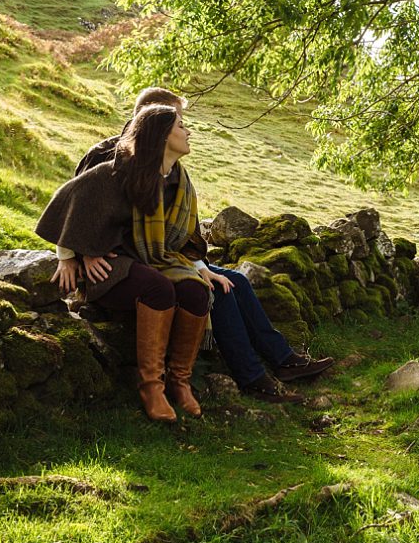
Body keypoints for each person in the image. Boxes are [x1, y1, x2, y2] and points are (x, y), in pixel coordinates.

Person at [70, 89, 335, 404]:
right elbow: (76, 209)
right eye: (177, 120)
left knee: (236, 280)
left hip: (166, 257)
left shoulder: (172, 169)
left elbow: (185, 232)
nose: (185, 126)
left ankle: (283, 360)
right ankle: (252, 378)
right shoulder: (107, 155)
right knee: (218, 289)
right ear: (153, 121)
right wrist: (79, 252)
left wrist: (198, 265)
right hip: (133, 264)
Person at [39, 104, 218, 422]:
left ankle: (180, 381)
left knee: (195, 292)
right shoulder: (118, 170)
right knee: (158, 289)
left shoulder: (177, 180)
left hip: (153, 260)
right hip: (111, 267)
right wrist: (70, 255)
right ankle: (151, 386)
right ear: (162, 136)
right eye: (180, 125)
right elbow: (71, 199)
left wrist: (196, 267)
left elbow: (183, 239)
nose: (188, 132)